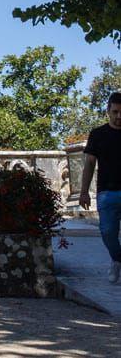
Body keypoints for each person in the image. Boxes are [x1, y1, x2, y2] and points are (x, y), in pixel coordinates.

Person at [78, 91, 121, 285]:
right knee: (107, 232)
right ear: (108, 111)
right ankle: (117, 259)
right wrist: (84, 192)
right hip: (106, 192)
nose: (119, 116)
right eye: (115, 112)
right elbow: (89, 164)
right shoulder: (98, 134)